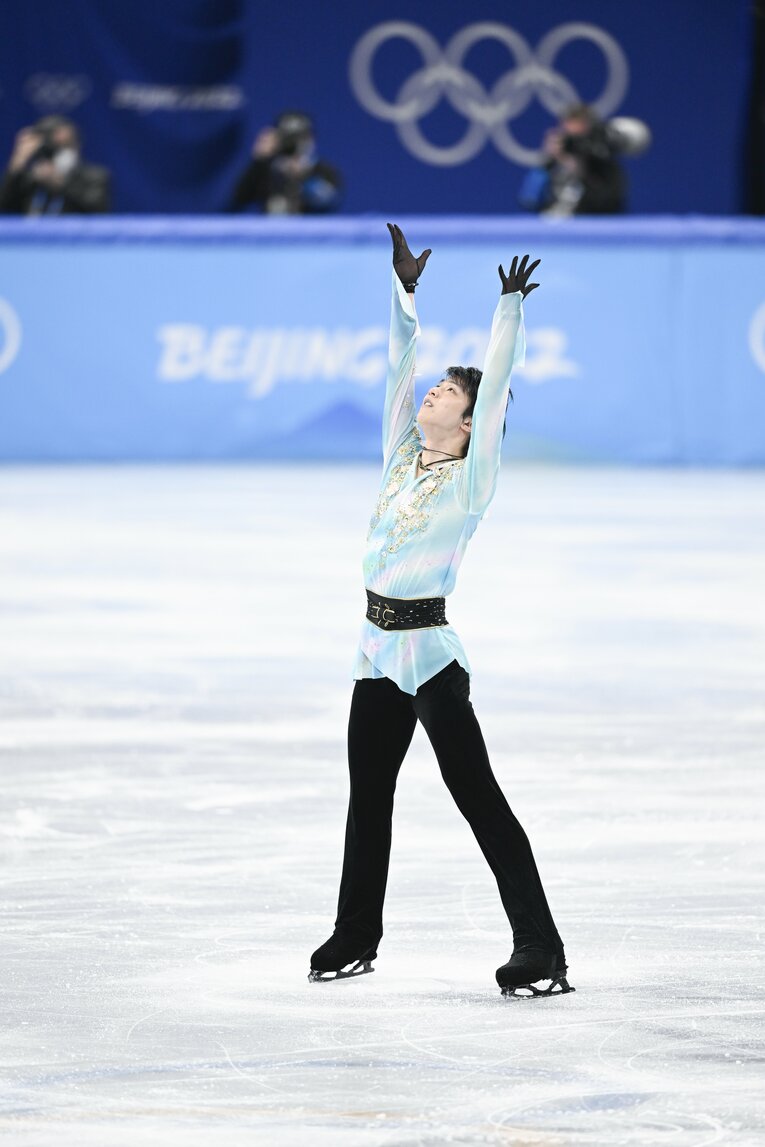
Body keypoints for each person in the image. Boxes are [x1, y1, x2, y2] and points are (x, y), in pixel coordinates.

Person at [308, 224, 573, 999]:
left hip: (429, 653)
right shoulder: (400, 453)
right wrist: (405, 295)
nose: (433, 394)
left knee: (477, 798)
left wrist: (508, 313)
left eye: (449, 394)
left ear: (468, 421)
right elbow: (398, 367)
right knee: (369, 797)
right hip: (373, 650)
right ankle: (356, 934)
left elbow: (493, 393)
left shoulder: (471, 478)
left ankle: (540, 947)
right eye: (437, 389)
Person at [520, 102, 626, 217]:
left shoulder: (603, 164)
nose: (572, 142)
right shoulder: (551, 165)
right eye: (567, 133)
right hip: (552, 227)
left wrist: (580, 172)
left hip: (587, 228)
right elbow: (529, 200)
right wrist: (546, 163)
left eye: (577, 137)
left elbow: (609, 204)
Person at [228, 110, 341, 214]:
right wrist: (259, 160)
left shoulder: (323, 170)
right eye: (287, 139)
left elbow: (328, 202)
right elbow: (239, 198)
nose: (293, 145)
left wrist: (304, 176)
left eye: (300, 138)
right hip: (272, 233)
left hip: (309, 234)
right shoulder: (266, 168)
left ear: (312, 140)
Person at [0, 116, 110, 215]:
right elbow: (4, 204)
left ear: (77, 145)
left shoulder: (95, 177)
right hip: (32, 235)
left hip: (72, 236)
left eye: (66, 146)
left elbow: (97, 210)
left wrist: (60, 184)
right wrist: (18, 161)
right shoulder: (31, 180)